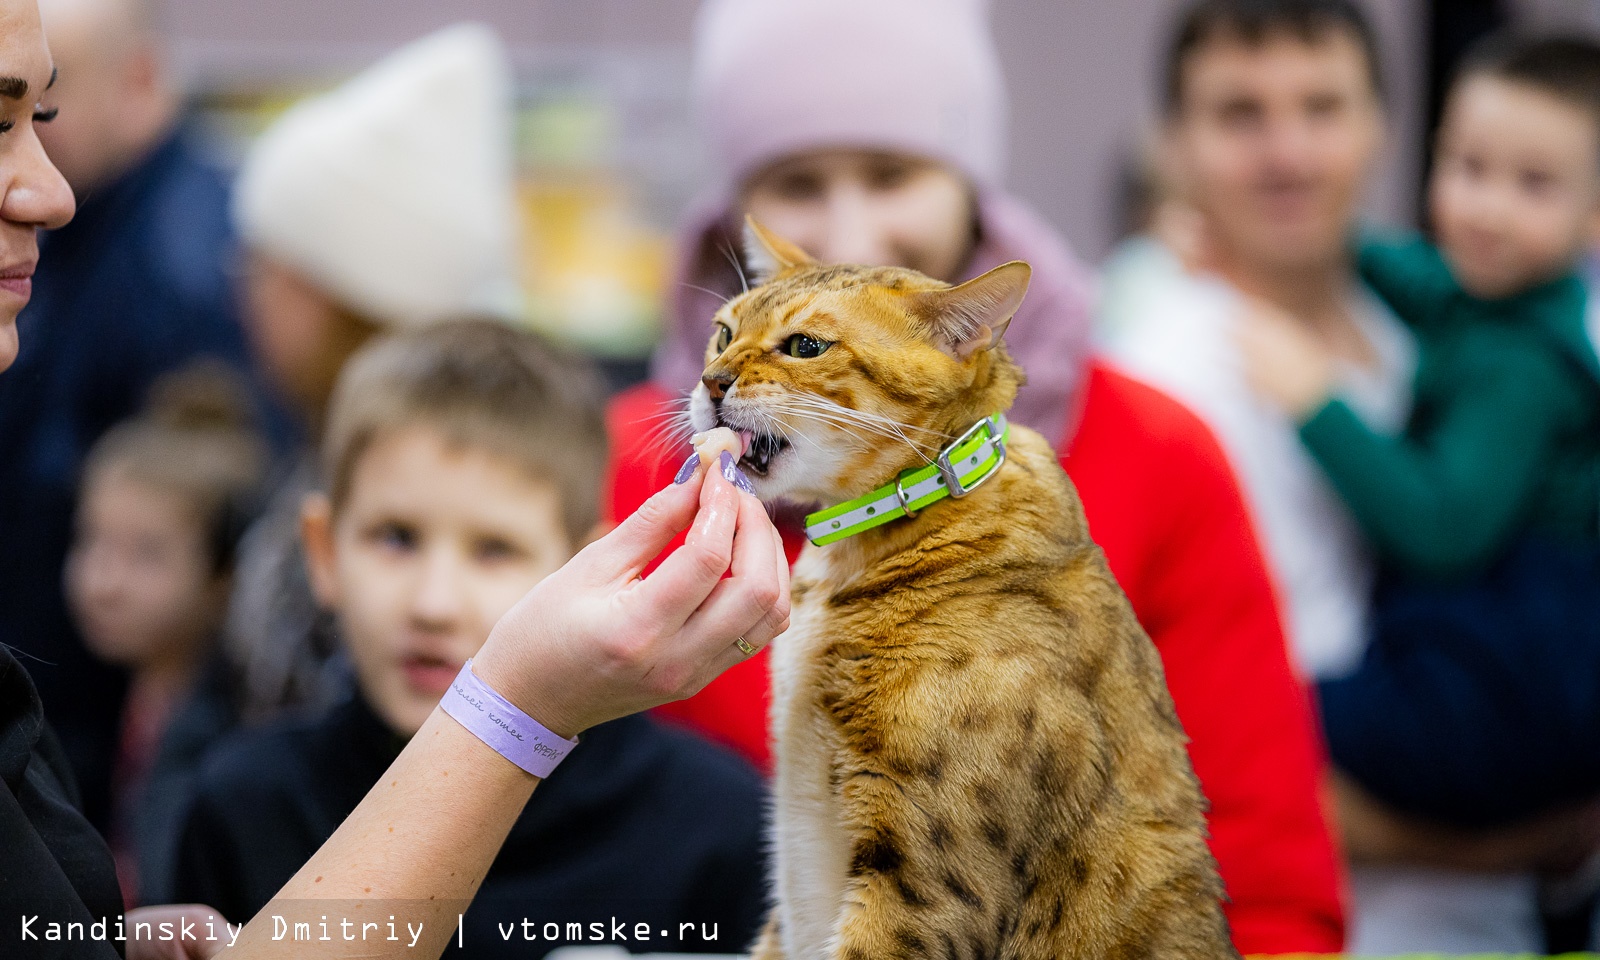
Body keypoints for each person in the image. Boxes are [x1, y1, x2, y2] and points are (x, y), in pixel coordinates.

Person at [604, 0, 1345, 951]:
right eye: (797, 180)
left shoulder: (1161, 449)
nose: (848, 230)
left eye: (892, 172)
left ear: (972, 187)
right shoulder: (626, 459)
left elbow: (1275, 883)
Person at [1109, 0, 1597, 950]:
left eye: (1323, 107)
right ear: (1172, 145)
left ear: (1383, 123)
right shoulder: (1153, 381)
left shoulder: (1427, 331)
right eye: (1240, 114)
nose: (1287, 152)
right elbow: (1141, 755)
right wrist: (1514, 841)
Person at [169, 322, 770, 957]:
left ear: (591, 563)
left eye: (493, 550)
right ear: (323, 553)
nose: (434, 604)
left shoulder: (720, 827)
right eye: (396, 537)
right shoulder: (242, 806)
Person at [1237, 32, 1600, 834]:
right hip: (1488, 651)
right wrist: (1319, 238)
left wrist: (1316, 404)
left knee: (1281, 714)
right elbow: (1417, 277)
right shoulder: (1491, 299)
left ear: (1594, 218)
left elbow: (1441, 529)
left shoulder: (1525, 370)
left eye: (1534, 184)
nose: (1487, 209)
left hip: (1514, 676)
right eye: (1468, 168)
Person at [0, 0, 262, 832]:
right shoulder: (110, 232)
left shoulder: (181, 271)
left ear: (142, 78)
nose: (46, 189)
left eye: (45, 110)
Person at [222, 21, 526, 724]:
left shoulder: (389, 491)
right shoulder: (322, 455)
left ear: (335, 298)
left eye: (264, 268)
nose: (243, 292)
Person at [63, 363, 267, 906]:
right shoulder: (118, 703)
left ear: (224, 575)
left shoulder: (220, 740)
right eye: (93, 541)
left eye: (147, 554)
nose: (104, 581)